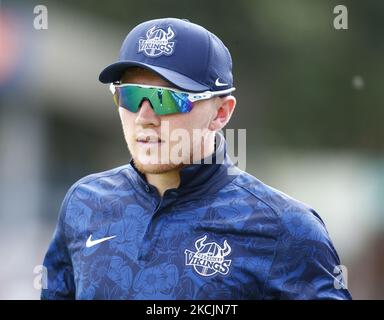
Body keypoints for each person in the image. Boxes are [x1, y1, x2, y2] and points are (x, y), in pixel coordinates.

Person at [41, 17, 351, 299]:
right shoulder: (83, 202)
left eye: (166, 98)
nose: (144, 117)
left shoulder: (286, 228)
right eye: (131, 96)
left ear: (220, 113)